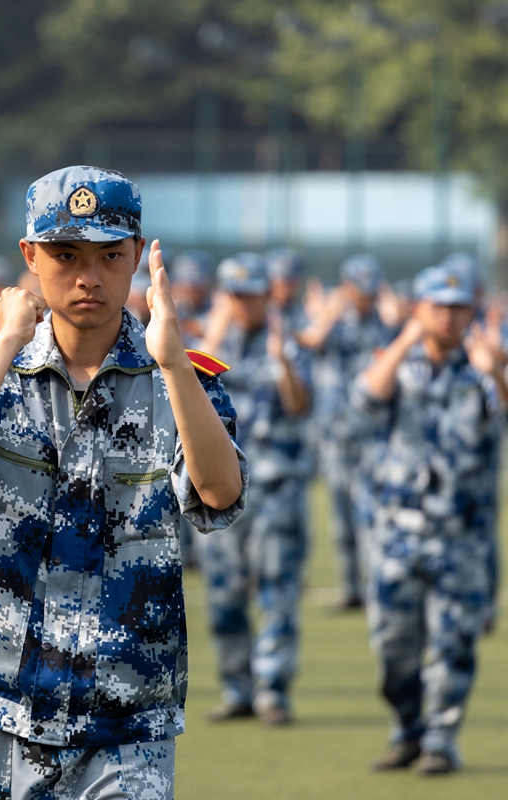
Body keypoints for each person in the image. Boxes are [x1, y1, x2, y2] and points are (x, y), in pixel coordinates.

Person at [0, 165, 247, 799]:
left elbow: (220, 493)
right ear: (30, 257)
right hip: (3, 709)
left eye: (110, 255)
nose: (88, 275)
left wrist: (173, 362)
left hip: (127, 717)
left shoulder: (179, 378)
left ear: (138, 257)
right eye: (65, 254)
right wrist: (7, 341)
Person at [356, 262, 508, 776]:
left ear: (473, 310)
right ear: (419, 309)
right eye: (436, 306)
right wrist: (407, 337)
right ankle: (406, 730)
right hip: (398, 533)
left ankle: (441, 740)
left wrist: (494, 370)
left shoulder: (484, 368)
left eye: (457, 306)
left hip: (460, 536)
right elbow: (364, 403)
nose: (447, 317)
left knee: (453, 647)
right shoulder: (397, 364)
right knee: (393, 648)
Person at [198, 253, 313, 726]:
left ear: (270, 296)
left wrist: (282, 357)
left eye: (253, 295)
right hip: (221, 488)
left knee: (276, 589)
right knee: (223, 593)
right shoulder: (205, 344)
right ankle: (236, 687)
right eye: (235, 296)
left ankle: (272, 690)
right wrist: (213, 337)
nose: (244, 305)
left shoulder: (287, 341)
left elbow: (301, 403)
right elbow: (181, 392)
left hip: (275, 488)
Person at [300, 254, 396, 610]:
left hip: (374, 434)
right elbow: (310, 342)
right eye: (359, 290)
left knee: (372, 515)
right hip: (337, 435)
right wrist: (331, 308)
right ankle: (350, 588)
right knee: (340, 518)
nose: (365, 298)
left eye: (372, 291)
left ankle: (375, 588)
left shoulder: (384, 326)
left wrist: (389, 311)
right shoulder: (333, 324)